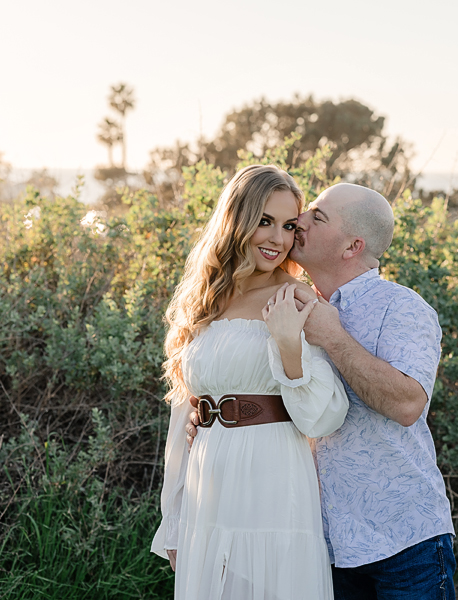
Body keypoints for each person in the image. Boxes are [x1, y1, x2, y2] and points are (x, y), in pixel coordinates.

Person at [187, 182, 457, 599]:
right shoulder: (286, 302)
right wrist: (214, 415)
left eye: (318, 217)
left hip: (402, 539)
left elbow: (407, 404)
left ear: (352, 246)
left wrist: (333, 337)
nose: (300, 223)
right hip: (321, 539)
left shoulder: (401, 307)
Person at [150, 165, 349, 600]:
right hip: (207, 482)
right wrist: (174, 516)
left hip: (273, 475)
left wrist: (288, 346)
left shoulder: (297, 299)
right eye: (264, 221)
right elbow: (183, 414)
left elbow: (324, 416)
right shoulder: (205, 299)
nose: (277, 239)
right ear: (236, 220)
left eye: (289, 226)